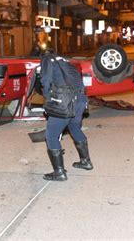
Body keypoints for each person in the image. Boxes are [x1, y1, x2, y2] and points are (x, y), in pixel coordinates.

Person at [40, 53, 93, 181]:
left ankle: (59, 173)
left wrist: (48, 101)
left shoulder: (48, 60)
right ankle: (86, 161)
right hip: (80, 101)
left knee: (51, 135)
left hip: (65, 103)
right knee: (75, 128)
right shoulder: (67, 63)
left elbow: (45, 82)